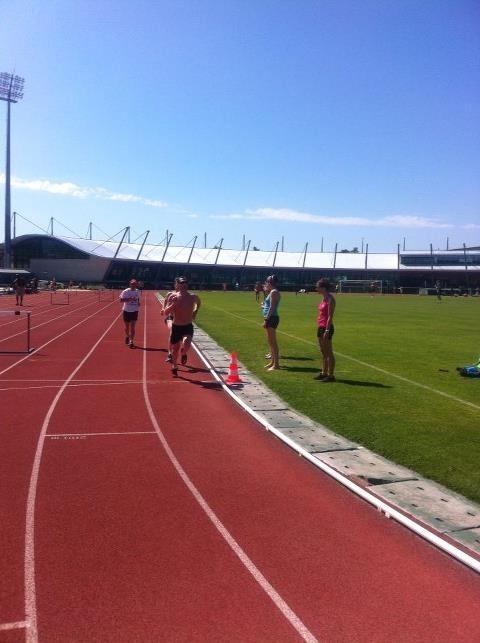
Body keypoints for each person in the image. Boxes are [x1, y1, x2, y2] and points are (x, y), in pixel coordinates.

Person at [163, 277, 201, 375]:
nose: (183, 285)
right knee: (176, 348)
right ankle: (175, 366)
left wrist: (195, 311)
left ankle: (183, 353)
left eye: (185, 283)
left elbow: (199, 303)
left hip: (187, 325)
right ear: (178, 285)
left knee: (187, 343)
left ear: (187, 285)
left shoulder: (193, 296)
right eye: (181, 283)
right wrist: (173, 304)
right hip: (176, 326)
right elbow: (166, 312)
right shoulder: (173, 296)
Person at [315, 278, 336, 382]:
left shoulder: (330, 299)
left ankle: (331, 375)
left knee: (328, 352)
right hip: (320, 326)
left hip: (326, 327)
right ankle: (324, 372)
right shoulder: (323, 298)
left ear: (323, 288)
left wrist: (327, 331)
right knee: (323, 352)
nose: (316, 288)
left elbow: (330, 317)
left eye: (318, 287)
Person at [262, 275, 281, 370]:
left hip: (272, 318)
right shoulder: (272, 292)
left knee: (273, 342)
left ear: (270, 283)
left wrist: (266, 319)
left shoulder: (274, 292)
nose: (266, 284)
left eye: (267, 282)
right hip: (270, 318)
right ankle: (272, 362)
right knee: (270, 341)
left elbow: (272, 307)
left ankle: (276, 364)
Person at [161, 278, 180, 362]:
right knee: (172, 331)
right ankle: (169, 353)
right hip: (170, 317)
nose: (179, 285)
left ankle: (182, 351)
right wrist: (163, 308)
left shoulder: (185, 295)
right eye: (177, 283)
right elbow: (165, 301)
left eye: (181, 283)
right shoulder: (170, 293)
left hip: (180, 319)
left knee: (179, 338)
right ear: (175, 284)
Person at [120, 279, 141, 348]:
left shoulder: (138, 291)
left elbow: (138, 298)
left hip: (135, 310)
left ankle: (131, 341)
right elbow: (121, 300)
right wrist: (129, 299)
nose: (133, 285)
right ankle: (127, 336)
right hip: (126, 310)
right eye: (132, 284)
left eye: (134, 284)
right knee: (127, 327)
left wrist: (138, 302)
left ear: (136, 284)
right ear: (130, 284)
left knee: (133, 327)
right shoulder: (125, 291)